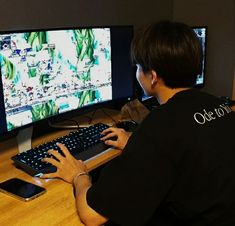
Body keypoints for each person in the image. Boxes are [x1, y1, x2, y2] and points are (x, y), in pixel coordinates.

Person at [41, 20, 235, 226]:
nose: (136, 73)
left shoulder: (161, 126)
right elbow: (188, 147)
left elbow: (92, 215)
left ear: (152, 77)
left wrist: (79, 175)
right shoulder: (217, 105)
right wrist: (136, 143)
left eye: (138, 67)